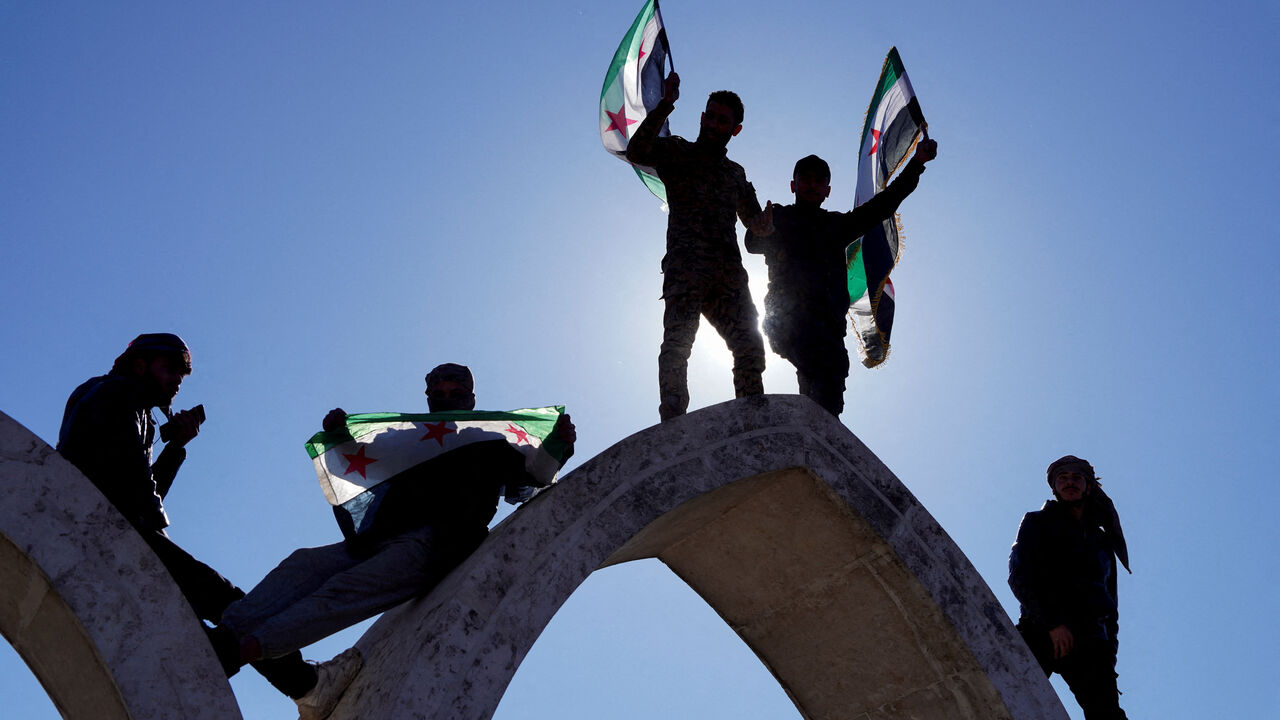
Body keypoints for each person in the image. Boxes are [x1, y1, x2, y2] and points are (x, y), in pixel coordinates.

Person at [207, 362, 575, 718]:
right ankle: (226, 635)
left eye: (456, 392)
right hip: (380, 537)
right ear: (428, 397)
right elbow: (358, 459)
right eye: (439, 393)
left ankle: (241, 651)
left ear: (471, 398)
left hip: (437, 545)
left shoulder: (491, 441)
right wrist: (340, 434)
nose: (447, 398)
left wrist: (557, 445)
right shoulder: (408, 440)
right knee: (303, 564)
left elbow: (534, 475)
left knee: (342, 592)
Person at [56, 333, 337, 715]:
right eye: (169, 369)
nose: (176, 381)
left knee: (202, 629)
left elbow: (137, 489)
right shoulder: (123, 396)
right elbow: (140, 494)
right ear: (139, 365)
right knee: (236, 606)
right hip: (121, 535)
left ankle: (294, 683)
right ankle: (308, 687)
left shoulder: (107, 395)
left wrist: (174, 448)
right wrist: (158, 530)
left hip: (110, 533)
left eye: (181, 375)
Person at [744, 139, 937, 417]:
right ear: (793, 185)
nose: (811, 185)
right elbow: (753, 243)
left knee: (828, 394)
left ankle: (814, 434)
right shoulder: (781, 217)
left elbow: (883, 205)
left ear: (827, 190)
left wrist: (917, 164)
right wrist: (760, 231)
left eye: (818, 181)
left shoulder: (836, 225)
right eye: (805, 179)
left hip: (828, 325)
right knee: (822, 362)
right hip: (788, 319)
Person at [625, 70, 771, 421]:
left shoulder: (735, 174)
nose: (714, 123)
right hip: (686, 266)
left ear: (734, 129)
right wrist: (665, 105)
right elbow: (637, 150)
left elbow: (755, 229)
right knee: (678, 342)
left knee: (750, 347)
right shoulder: (677, 151)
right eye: (710, 116)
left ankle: (752, 417)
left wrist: (764, 228)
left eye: (723, 120)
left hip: (728, 278)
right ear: (701, 117)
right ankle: (673, 417)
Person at [1008, 455, 1131, 719]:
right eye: (1062, 478)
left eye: (1076, 477)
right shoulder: (1036, 522)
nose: (1069, 482)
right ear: (1054, 487)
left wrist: (1108, 658)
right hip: (1040, 630)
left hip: (1092, 642)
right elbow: (1020, 576)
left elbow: (1110, 606)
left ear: (1088, 485)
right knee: (1004, 694)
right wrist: (1053, 625)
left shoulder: (1102, 542)